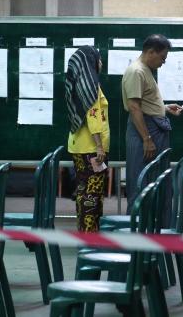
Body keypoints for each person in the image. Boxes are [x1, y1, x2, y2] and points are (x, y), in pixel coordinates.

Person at [121, 34, 183, 225]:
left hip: (151, 128)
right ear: (150, 52)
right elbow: (134, 107)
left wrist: (164, 108)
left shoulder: (145, 70)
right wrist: (146, 139)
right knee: (142, 183)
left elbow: (144, 103)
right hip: (145, 132)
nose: (163, 62)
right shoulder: (136, 71)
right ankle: (138, 237)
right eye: (162, 58)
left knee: (157, 183)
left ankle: (157, 231)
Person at [65, 46, 110, 232]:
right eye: (98, 59)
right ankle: (89, 239)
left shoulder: (78, 83)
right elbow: (93, 117)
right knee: (91, 196)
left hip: (79, 147)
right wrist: (99, 146)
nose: (101, 63)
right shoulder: (90, 86)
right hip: (91, 149)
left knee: (84, 193)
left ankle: (86, 233)